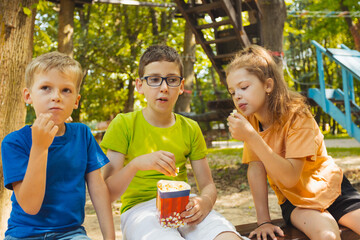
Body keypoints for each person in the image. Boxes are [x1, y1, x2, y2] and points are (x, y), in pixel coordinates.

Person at [100, 45, 246, 240]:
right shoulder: (123, 124)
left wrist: (204, 202)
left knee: (228, 237)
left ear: (181, 86)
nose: (164, 87)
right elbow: (106, 194)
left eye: (172, 80)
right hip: (140, 212)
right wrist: (136, 164)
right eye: (153, 79)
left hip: (184, 207)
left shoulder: (190, 128)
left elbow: (208, 185)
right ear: (139, 85)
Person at [226, 45, 360, 240]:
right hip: (296, 200)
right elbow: (256, 168)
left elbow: (291, 175)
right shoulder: (249, 120)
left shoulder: (297, 115)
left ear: (268, 85)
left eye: (244, 87)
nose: (237, 95)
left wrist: (251, 137)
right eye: (232, 91)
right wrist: (263, 221)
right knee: (327, 235)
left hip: (333, 189)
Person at [1, 52, 115, 240]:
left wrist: (110, 238)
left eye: (66, 90)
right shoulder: (14, 142)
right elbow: (30, 206)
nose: (56, 97)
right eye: (46, 87)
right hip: (23, 235)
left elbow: (98, 189)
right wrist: (39, 146)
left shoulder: (82, 134)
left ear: (76, 101)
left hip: (71, 233)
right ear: (28, 96)